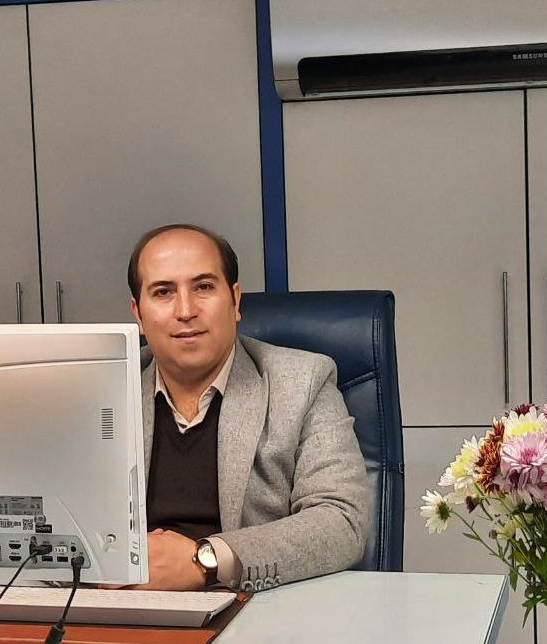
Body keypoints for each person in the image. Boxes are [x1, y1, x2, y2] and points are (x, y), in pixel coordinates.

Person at [123, 224, 369, 592]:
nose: (185, 310)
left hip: (254, 605)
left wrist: (207, 560)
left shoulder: (303, 383)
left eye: (203, 287)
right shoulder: (104, 390)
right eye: (163, 292)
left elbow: (341, 522)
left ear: (235, 301)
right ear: (139, 314)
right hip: (121, 608)